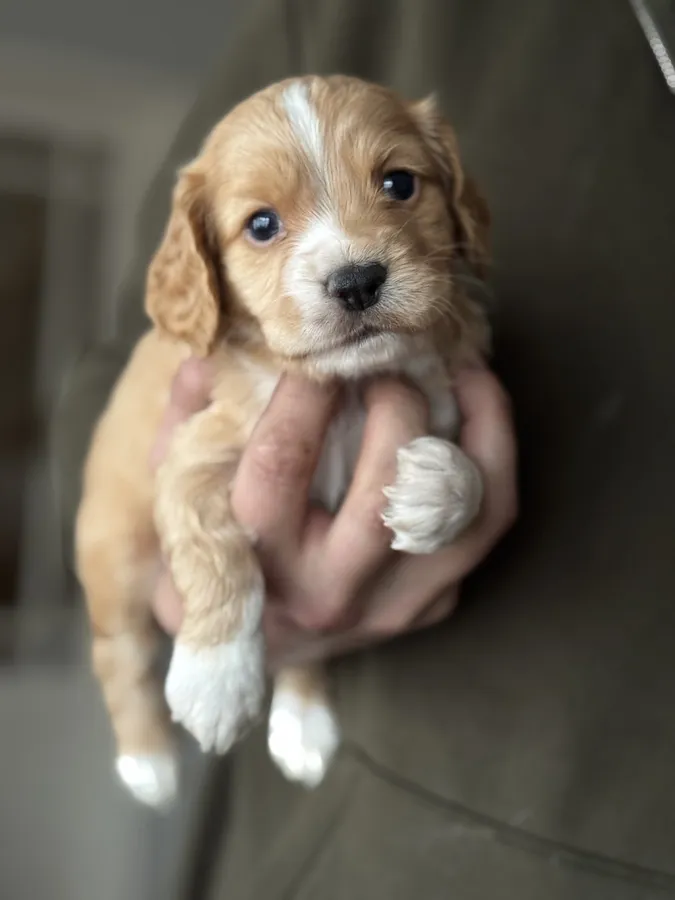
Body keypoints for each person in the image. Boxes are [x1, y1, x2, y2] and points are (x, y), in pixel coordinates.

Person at [52, 0, 675, 896]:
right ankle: (142, 708)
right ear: (209, 267)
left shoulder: (447, 341)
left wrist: (446, 489)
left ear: (458, 202)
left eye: (395, 186)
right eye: (263, 226)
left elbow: (446, 439)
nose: (351, 259)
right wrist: (211, 609)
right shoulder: (342, 17)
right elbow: (114, 373)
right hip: (377, 840)